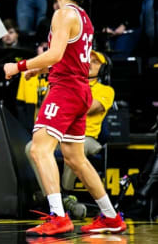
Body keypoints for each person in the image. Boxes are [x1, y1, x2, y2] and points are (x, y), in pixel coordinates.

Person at [3, 0, 127, 235]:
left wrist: (20, 66)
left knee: (39, 149)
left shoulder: (63, 14)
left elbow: (56, 54)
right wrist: (39, 68)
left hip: (66, 90)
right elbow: (67, 57)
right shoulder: (83, 17)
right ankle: (110, 217)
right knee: (75, 158)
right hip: (80, 89)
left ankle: (58, 216)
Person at [24, 50, 115, 218]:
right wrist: (54, 89)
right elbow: (44, 113)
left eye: (95, 62)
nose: (89, 63)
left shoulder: (106, 90)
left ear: (103, 70)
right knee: (32, 147)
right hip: (61, 133)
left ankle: (65, 193)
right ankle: (58, 197)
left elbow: (86, 107)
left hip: (90, 137)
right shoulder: (64, 86)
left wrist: (67, 93)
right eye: (88, 59)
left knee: (74, 150)